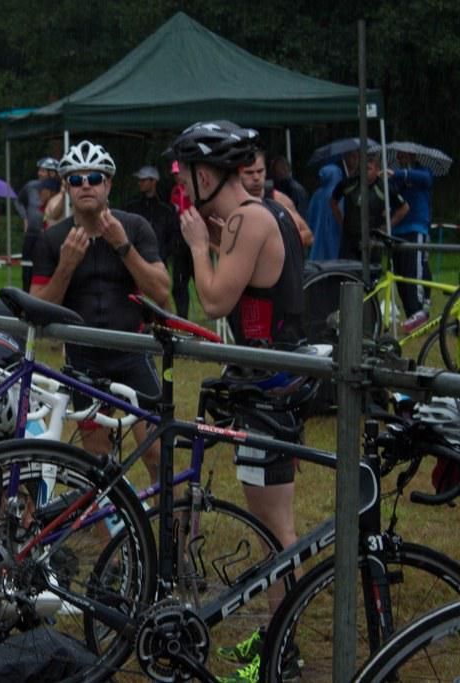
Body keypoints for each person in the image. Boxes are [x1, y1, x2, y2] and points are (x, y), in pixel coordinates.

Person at [169, 120, 306, 677]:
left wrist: (200, 246)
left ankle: (283, 656)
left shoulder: (250, 219)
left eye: (186, 176)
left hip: (269, 388)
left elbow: (214, 301)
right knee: (274, 526)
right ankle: (278, 640)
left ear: (205, 174)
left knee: (277, 531)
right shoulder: (263, 213)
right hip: (267, 382)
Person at [30, 140, 170, 485]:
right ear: (67, 188)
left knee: (156, 450)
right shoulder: (52, 240)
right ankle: (103, 532)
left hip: (132, 353)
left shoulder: (134, 227)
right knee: (95, 455)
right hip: (83, 359)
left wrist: (122, 246)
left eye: (94, 177)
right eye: (76, 180)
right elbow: (37, 309)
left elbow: (161, 291)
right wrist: (66, 266)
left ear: (108, 184)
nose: (86, 186)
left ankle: (175, 530)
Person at [331, 155, 409, 262]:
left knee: (372, 273)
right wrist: (341, 221)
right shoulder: (349, 183)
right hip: (349, 240)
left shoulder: (385, 187)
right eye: (363, 168)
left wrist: (388, 225)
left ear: (377, 171)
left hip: (373, 240)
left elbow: (404, 207)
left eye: (368, 169)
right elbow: (333, 201)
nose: (365, 171)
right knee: (347, 273)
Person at [390, 150, 435, 331]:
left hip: (416, 228)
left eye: (404, 156)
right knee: (400, 275)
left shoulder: (423, 173)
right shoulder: (396, 179)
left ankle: (418, 312)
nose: (401, 159)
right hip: (397, 229)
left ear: (413, 156)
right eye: (399, 156)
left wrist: (401, 174)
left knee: (414, 273)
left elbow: (426, 180)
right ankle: (411, 314)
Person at [239, 149, 313, 249]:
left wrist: (273, 242)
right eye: (249, 172)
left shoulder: (278, 199)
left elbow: (308, 236)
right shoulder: (229, 201)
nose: (256, 177)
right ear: (238, 174)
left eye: (260, 171)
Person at [124, 165, 179, 272]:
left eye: (143, 180)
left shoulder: (166, 210)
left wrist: (163, 254)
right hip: (136, 262)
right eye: (139, 180)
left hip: (160, 262)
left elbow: (173, 236)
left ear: (153, 181)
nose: (140, 183)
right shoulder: (131, 207)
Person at [19, 158, 59, 291]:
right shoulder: (31, 186)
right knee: (27, 270)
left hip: (49, 236)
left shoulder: (60, 190)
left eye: (43, 170)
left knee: (44, 270)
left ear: (52, 173)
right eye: (39, 170)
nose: (39, 173)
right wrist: (25, 218)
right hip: (31, 234)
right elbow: (18, 201)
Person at [169, 161, 195, 318]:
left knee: (201, 280)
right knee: (179, 283)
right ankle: (182, 317)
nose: (177, 176)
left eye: (179, 173)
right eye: (175, 174)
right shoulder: (174, 191)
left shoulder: (193, 189)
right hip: (180, 239)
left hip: (194, 236)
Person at [306, 162, 344, 261]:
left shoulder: (317, 195)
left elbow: (310, 217)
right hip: (337, 235)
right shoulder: (339, 194)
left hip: (318, 238)